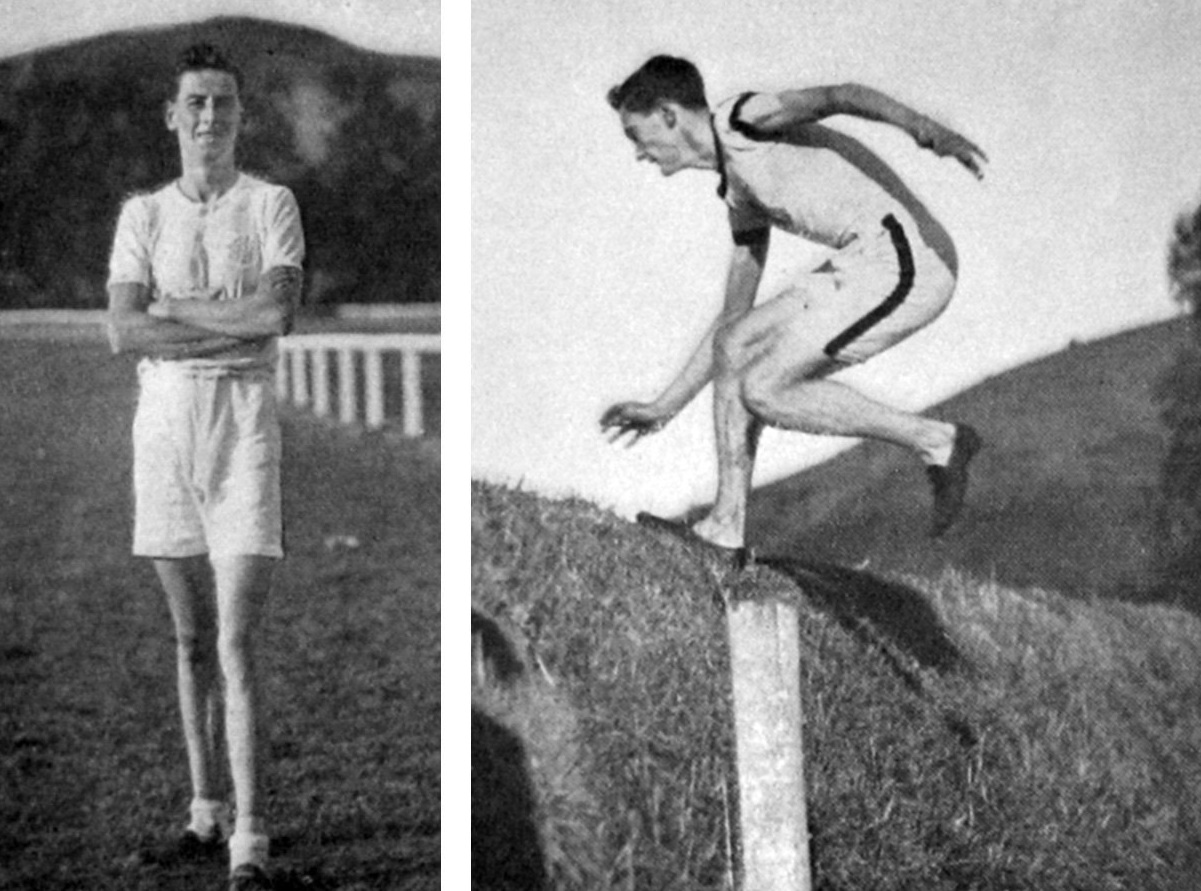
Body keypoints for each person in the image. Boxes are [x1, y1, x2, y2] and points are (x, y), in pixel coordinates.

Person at [600, 55, 987, 563]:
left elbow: (840, 95)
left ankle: (936, 441)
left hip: (909, 261)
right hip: (860, 263)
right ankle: (724, 526)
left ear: (670, 115)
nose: (639, 153)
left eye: (636, 133)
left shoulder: (741, 119)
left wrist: (922, 127)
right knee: (735, 344)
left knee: (763, 389)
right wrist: (662, 408)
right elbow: (730, 323)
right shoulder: (738, 192)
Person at [106, 42, 304, 891]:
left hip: (243, 424)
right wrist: (223, 319)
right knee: (189, 637)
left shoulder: (271, 204)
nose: (209, 117)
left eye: (223, 103)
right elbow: (124, 331)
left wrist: (175, 310)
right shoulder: (143, 214)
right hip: (164, 426)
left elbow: (274, 316)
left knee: (233, 636)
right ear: (172, 115)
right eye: (196, 103)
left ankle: (250, 837)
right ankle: (203, 810)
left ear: (241, 116)